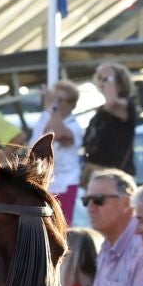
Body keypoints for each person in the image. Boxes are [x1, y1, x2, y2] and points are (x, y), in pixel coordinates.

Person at [37, 80, 84, 219]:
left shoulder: (74, 126)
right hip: (44, 180)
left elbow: (58, 133)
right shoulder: (45, 117)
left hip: (65, 183)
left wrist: (53, 107)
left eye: (61, 100)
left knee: (63, 223)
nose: (56, 103)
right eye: (55, 98)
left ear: (72, 105)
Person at [82, 60, 137, 178]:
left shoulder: (125, 105)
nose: (102, 81)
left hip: (114, 173)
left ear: (119, 82)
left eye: (106, 78)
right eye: (100, 78)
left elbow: (112, 102)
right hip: (94, 169)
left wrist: (110, 76)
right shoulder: (101, 111)